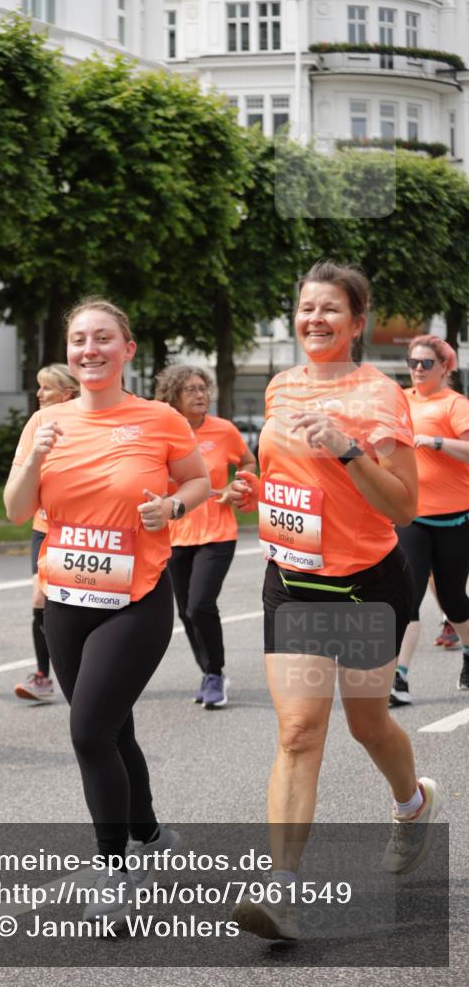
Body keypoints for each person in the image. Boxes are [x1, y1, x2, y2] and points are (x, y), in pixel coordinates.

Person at [228, 261, 441, 941]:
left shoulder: (380, 396)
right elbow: (292, 488)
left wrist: (349, 450)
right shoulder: (279, 387)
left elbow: (403, 505)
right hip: (291, 583)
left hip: (365, 587)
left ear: (356, 322)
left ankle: (411, 805)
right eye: (305, 307)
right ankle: (281, 890)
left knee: (367, 724)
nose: (313, 318)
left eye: (330, 310)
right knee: (296, 733)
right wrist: (254, 497)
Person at [4, 298, 209, 924]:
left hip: (136, 599)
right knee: (115, 730)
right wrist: (37, 454)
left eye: (102, 339)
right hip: (65, 601)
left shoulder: (160, 420)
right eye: (78, 340)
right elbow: (16, 511)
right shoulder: (46, 424)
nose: (88, 350)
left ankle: (114, 870)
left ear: (128, 350)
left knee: (89, 730)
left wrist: (173, 508)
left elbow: (198, 482)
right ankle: (153, 836)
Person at [154, 364, 256, 708]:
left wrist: (236, 485)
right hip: (174, 533)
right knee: (184, 612)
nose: (201, 395)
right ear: (174, 397)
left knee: (200, 605)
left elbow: (249, 462)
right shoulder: (162, 432)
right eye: (191, 390)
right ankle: (209, 671)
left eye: (203, 388)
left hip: (217, 530)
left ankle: (214, 674)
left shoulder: (224, 430)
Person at [390, 335, 469, 705]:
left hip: (456, 519)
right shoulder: (399, 401)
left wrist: (434, 442)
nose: (417, 370)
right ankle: (398, 678)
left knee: (454, 600)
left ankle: (468, 653)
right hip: (412, 516)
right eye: (412, 362)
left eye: (426, 364)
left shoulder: (455, 404)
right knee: (409, 595)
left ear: (444, 368)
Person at [13, 364, 79, 702]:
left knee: (73, 602)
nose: (38, 394)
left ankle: (83, 669)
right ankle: (43, 675)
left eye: (46, 388)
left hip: (75, 532)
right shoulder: (36, 427)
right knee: (39, 597)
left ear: (67, 394)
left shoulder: (82, 430)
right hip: (43, 528)